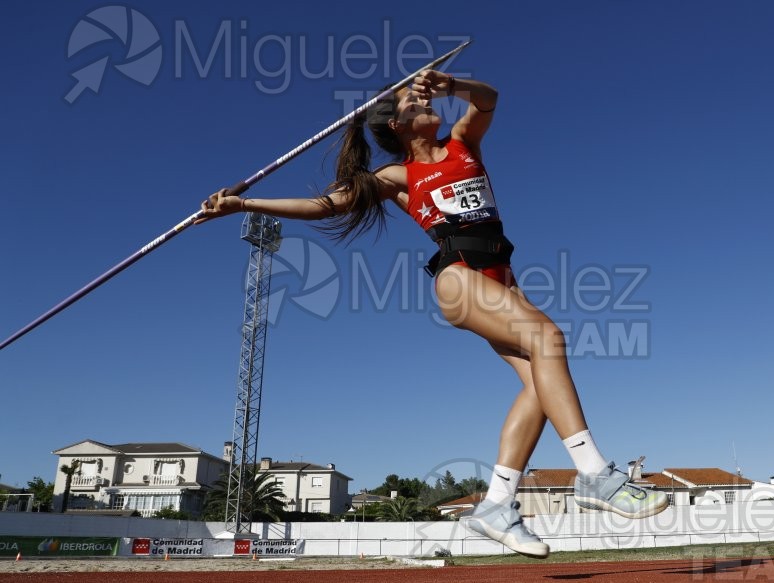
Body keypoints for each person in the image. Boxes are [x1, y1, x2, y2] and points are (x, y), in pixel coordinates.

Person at [199, 69, 668, 558]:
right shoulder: (395, 177)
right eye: (411, 101)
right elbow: (326, 206)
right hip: (459, 276)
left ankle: (497, 505)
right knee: (548, 339)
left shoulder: (464, 143)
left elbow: (489, 98)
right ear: (398, 126)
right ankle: (593, 472)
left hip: (502, 279)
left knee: (538, 385)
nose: (423, 101)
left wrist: (450, 83)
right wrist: (244, 203)